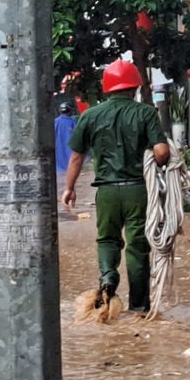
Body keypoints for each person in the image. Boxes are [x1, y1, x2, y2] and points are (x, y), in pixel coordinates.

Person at [63, 59, 171, 315]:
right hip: (137, 191)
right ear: (135, 87)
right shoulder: (145, 112)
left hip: (107, 191)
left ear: (106, 88)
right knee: (137, 247)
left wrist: (69, 188)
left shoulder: (90, 114)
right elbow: (162, 151)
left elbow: (77, 156)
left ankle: (108, 278)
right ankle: (139, 307)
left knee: (108, 240)